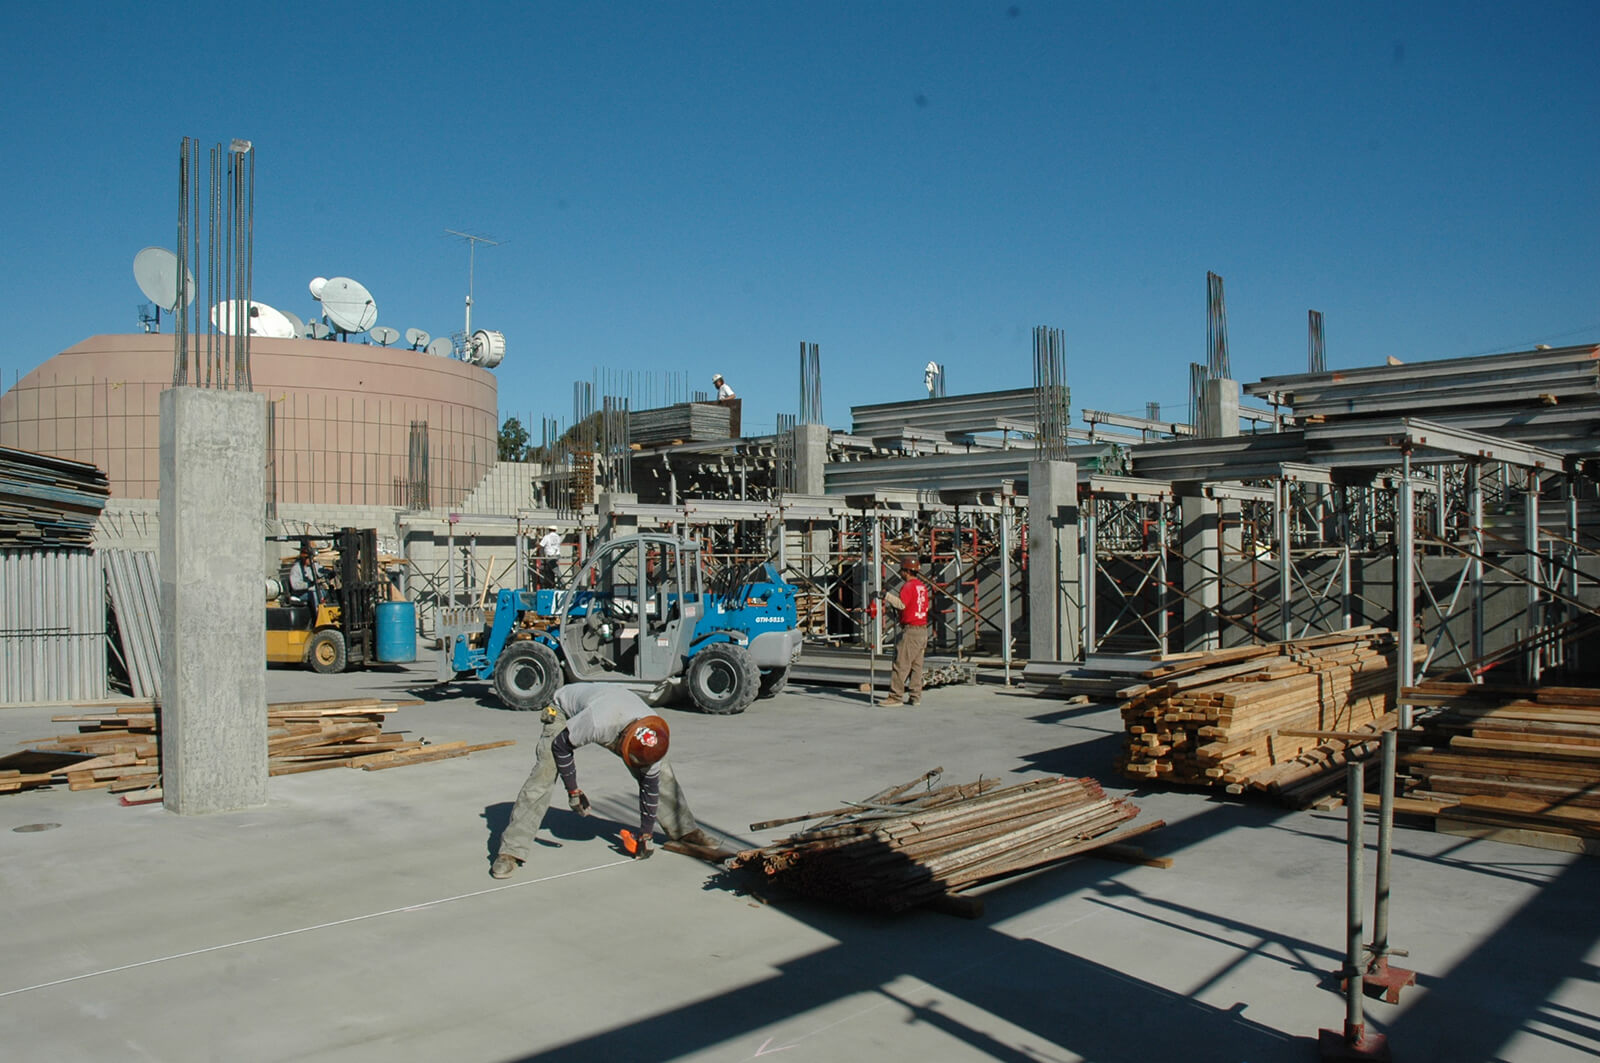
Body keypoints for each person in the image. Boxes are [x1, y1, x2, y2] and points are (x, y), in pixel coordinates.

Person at [491, 683, 711, 878]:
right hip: (564, 712)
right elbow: (561, 746)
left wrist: (645, 834)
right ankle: (511, 850)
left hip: (616, 711)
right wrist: (574, 791)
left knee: (661, 774)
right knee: (544, 773)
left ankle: (684, 831)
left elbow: (651, 786)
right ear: (621, 742)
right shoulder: (597, 723)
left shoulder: (653, 736)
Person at [877, 556, 931, 706]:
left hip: (911, 630)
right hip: (922, 630)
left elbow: (901, 604)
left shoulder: (908, 586)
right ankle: (915, 696)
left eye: (901, 569)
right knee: (916, 666)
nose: (900, 572)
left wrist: (885, 596)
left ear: (907, 571)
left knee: (901, 664)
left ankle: (895, 697)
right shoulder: (922, 587)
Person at [287, 543, 321, 612]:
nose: (311, 560)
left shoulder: (314, 565)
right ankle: (318, 614)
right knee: (314, 593)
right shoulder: (296, 568)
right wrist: (309, 584)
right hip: (301, 594)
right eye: (309, 558)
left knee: (328, 592)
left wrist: (329, 573)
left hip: (313, 591)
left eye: (312, 558)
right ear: (304, 558)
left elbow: (321, 571)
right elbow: (295, 586)